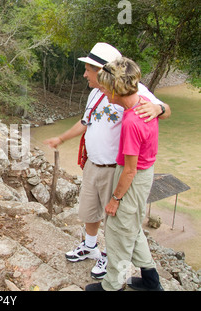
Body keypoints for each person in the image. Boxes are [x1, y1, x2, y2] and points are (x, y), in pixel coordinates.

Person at [43, 42, 171, 279]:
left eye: (88, 69)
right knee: (89, 210)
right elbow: (85, 122)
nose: (84, 74)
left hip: (116, 169)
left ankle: (110, 258)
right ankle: (90, 246)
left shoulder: (132, 91)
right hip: (93, 163)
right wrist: (61, 137)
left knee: (114, 219)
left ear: (104, 71)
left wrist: (158, 108)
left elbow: (165, 109)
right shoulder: (95, 93)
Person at [85, 57, 163, 291]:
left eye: (106, 90)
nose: (105, 95)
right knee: (133, 227)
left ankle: (112, 285)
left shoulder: (131, 121)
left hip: (132, 178)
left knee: (117, 230)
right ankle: (151, 281)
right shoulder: (144, 106)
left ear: (117, 90)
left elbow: (130, 170)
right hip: (143, 175)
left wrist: (115, 199)